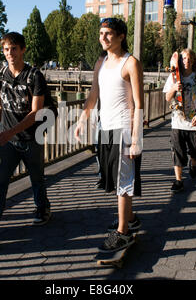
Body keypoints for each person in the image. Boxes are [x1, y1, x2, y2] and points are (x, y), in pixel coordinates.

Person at [0, 32, 52, 243]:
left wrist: (10, 132)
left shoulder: (34, 76)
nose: (10, 53)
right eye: (6, 49)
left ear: (23, 49)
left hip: (31, 138)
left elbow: (36, 112)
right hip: (8, 141)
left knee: (37, 178)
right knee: (0, 182)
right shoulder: (0, 74)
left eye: (14, 48)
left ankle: (43, 208)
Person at [74, 17, 144, 252]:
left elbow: (138, 103)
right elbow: (94, 93)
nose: (102, 38)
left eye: (108, 34)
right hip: (105, 129)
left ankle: (123, 233)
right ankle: (131, 219)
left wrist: (136, 140)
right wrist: (83, 117)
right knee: (114, 179)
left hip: (124, 129)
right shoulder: (100, 62)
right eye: (100, 33)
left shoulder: (130, 63)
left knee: (123, 180)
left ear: (121, 36)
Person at [163, 49, 196, 193]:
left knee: (195, 151)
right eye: (183, 59)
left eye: (189, 59)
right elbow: (167, 97)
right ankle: (178, 181)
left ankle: (193, 165)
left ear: (193, 61)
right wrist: (174, 88)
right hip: (178, 121)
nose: (186, 62)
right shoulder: (174, 77)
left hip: (195, 123)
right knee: (178, 151)